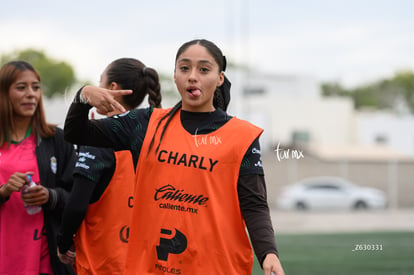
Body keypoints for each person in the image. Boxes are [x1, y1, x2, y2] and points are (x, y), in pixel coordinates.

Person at [64, 39, 285, 275]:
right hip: (152, 267)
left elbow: (254, 205)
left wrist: (268, 253)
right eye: (184, 68)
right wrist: (82, 96)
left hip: (217, 268)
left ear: (220, 78)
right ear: (175, 75)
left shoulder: (242, 136)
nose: (192, 76)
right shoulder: (145, 123)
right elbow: (75, 132)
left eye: (203, 69)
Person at [56, 57, 162, 274]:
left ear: (112, 88)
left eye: (100, 82)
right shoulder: (155, 138)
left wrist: (63, 242)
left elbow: (77, 204)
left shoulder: (99, 140)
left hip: (105, 263)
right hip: (148, 262)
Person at [0, 60, 77, 275]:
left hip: (45, 260)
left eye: (35, 87)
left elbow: (78, 197)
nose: (31, 94)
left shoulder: (57, 140)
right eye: (21, 87)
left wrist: (50, 196)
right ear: (3, 93)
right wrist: (4, 191)